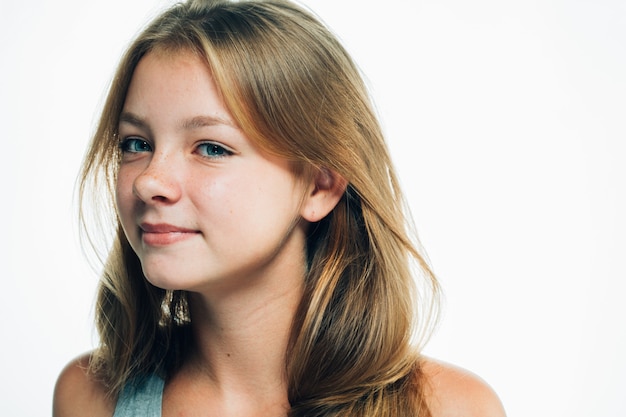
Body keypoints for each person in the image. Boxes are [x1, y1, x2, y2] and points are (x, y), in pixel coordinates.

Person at [54, 0, 506, 416]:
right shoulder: (88, 397)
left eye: (211, 148)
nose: (150, 180)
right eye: (137, 143)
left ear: (319, 185)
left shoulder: (447, 408)